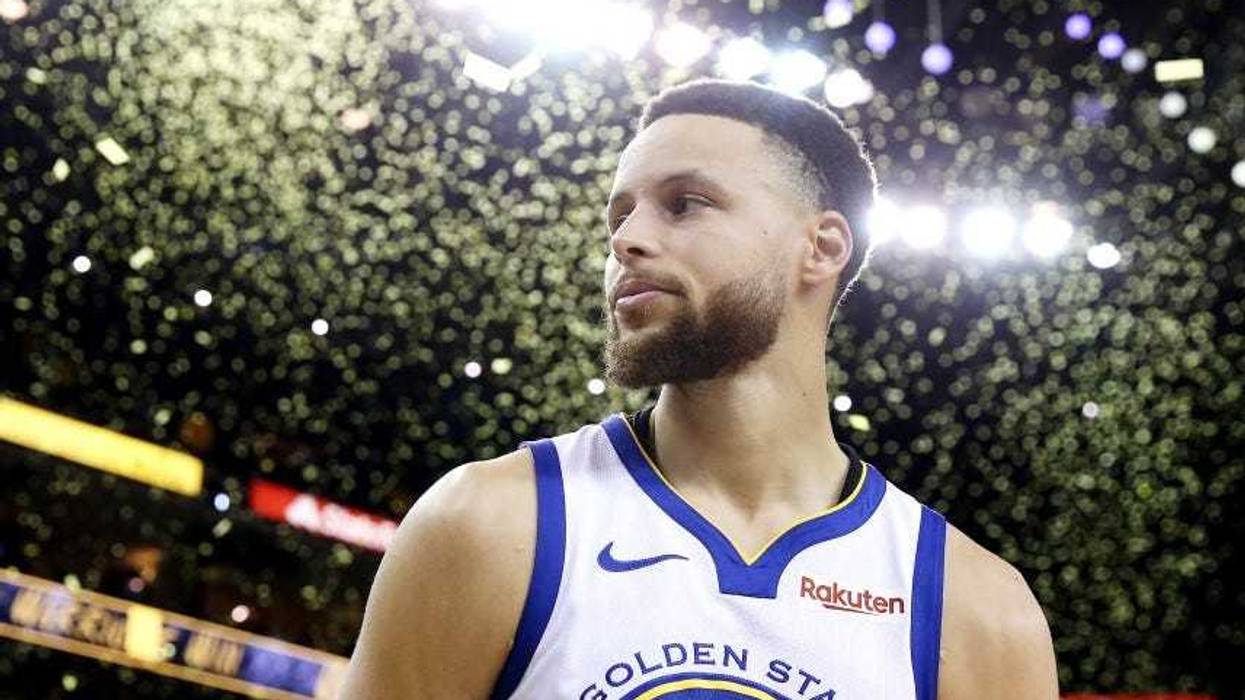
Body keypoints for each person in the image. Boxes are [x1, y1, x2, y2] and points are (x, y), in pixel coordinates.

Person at [337, 78, 1059, 699]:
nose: (625, 240)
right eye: (619, 215)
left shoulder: (975, 610)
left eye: (685, 203)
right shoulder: (491, 523)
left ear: (821, 247)